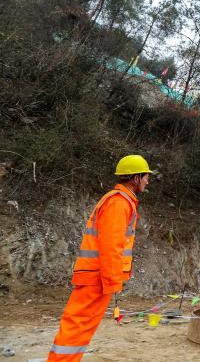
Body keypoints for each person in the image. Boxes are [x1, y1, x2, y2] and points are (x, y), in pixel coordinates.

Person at [47, 155, 152, 361]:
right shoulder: (118, 203)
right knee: (78, 326)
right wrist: (113, 281)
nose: (148, 181)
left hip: (97, 276)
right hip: (97, 278)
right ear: (135, 178)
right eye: (146, 176)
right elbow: (111, 245)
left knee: (82, 327)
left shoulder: (123, 201)